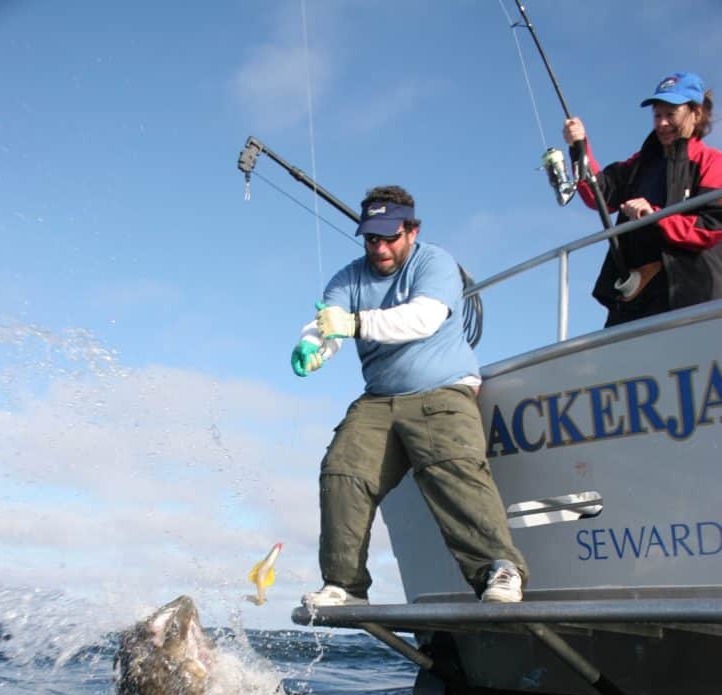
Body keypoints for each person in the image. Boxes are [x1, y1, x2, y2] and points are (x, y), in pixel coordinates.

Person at [290, 185, 528, 608]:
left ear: (412, 231)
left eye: (389, 237)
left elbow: (423, 318)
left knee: (452, 467)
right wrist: (314, 347)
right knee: (342, 469)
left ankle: (499, 568)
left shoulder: (434, 262)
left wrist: (354, 323)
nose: (380, 248)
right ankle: (345, 586)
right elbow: (327, 323)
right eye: (371, 238)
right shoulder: (348, 277)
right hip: (380, 398)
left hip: (443, 389)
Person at [563, 71, 722, 326]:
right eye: (657, 115)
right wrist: (579, 146)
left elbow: (712, 226)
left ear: (696, 113)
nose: (662, 123)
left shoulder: (713, 162)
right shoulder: (639, 163)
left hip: (690, 298)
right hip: (632, 297)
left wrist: (655, 216)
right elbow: (598, 195)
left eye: (671, 113)